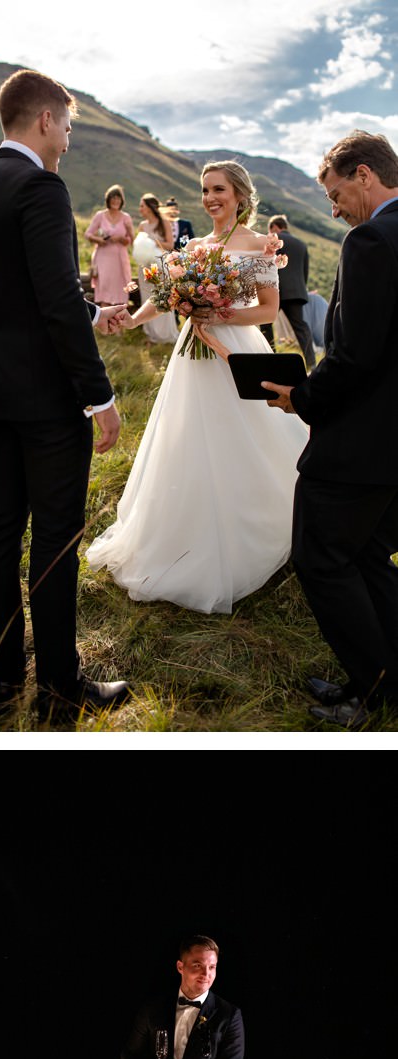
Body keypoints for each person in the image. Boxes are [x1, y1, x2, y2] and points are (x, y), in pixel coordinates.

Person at [0, 68, 129, 722]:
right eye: (69, 127)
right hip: (47, 397)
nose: (69, 140)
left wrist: (91, 313)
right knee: (55, 538)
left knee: (0, 530)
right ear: (45, 119)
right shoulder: (41, 187)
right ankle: (59, 685)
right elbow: (53, 299)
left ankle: (3, 681)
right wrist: (99, 396)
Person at [87, 161, 307, 614]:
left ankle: (254, 531)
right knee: (187, 438)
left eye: (219, 189)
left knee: (243, 439)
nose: (210, 198)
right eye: (205, 190)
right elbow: (165, 297)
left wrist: (221, 313)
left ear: (240, 195)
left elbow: (268, 310)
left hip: (236, 351)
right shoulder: (196, 247)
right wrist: (133, 319)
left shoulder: (259, 245)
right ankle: (183, 536)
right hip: (192, 357)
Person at [262, 132, 398, 728]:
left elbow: (357, 354)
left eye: (336, 195)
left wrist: (303, 397)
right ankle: (385, 679)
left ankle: (368, 695)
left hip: (362, 443)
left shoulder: (371, 240)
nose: (335, 211)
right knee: (368, 553)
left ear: (364, 175)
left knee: (320, 558)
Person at [261, 214, 316, 365]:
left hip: (275, 290)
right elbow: (304, 271)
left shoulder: (274, 240)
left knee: (266, 324)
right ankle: (311, 363)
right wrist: (301, 290)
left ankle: (270, 359)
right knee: (301, 327)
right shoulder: (301, 244)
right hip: (296, 292)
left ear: (274, 227)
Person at [131, 194, 177, 345]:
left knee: (162, 297)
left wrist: (152, 242)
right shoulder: (142, 226)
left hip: (160, 266)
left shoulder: (164, 223)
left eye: (142, 206)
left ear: (150, 207)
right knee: (147, 298)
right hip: (145, 268)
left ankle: (165, 335)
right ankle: (151, 334)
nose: (140, 209)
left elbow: (170, 245)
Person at [86, 185, 134, 307]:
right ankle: (104, 316)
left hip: (120, 259)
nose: (115, 201)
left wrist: (121, 239)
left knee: (121, 289)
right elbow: (88, 234)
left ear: (121, 200)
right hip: (103, 258)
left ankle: (120, 317)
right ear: (108, 199)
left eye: (118, 198)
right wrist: (99, 240)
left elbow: (131, 240)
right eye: (113, 198)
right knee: (104, 289)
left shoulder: (126, 217)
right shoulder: (100, 215)